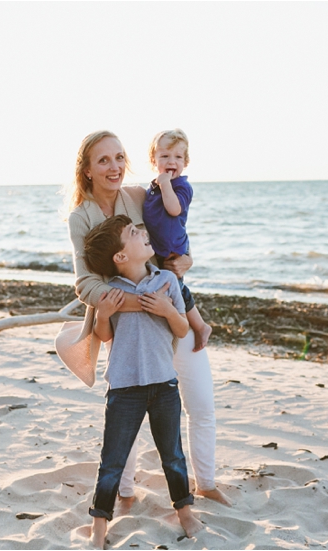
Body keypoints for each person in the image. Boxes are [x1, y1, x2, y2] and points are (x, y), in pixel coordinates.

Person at [63, 130, 231, 508]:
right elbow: (84, 282)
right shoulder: (81, 217)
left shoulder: (139, 195)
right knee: (129, 413)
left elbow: (172, 236)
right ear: (87, 170)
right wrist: (130, 304)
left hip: (170, 309)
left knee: (201, 402)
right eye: (104, 160)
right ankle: (124, 492)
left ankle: (205, 482)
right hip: (125, 324)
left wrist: (187, 261)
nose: (115, 167)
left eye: (120, 157)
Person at [82, 214, 203, 548]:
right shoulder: (110, 292)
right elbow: (104, 336)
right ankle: (99, 527)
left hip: (164, 384)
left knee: (173, 456)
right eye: (134, 233)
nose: (143, 233)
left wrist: (167, 310)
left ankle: (185, 513)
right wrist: (103, 315)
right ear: (120, 257)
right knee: (112, 462)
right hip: (124, 388)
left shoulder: (166, 280)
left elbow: (181, 329)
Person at [143, 129, 212, 352]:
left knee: (179, 290)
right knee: (172, 288)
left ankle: (200, 326)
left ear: (186, 161)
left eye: (178, 157)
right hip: (159, 250)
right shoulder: (153, 187)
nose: (171, 161)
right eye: (164, 156)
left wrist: (165, 184)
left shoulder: (181, 187)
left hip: (174, 248)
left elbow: (173, 209)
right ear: (154, 160)